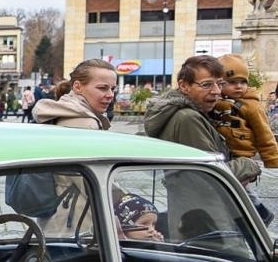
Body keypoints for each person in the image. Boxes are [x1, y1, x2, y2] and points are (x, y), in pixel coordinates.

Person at [142, 56, 260, 185]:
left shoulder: (196, 113)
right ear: (184, 86)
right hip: (204, 203)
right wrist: (249, 165)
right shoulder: (187, 118)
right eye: (207, 85)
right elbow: (210, 174)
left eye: (220, 84)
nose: (216, 91)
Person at [31, 59, 115, 129]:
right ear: (77, 87)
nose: (111, 95)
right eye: (102, 88)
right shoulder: (86, 124)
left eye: (112, 89)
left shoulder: (62, 112)